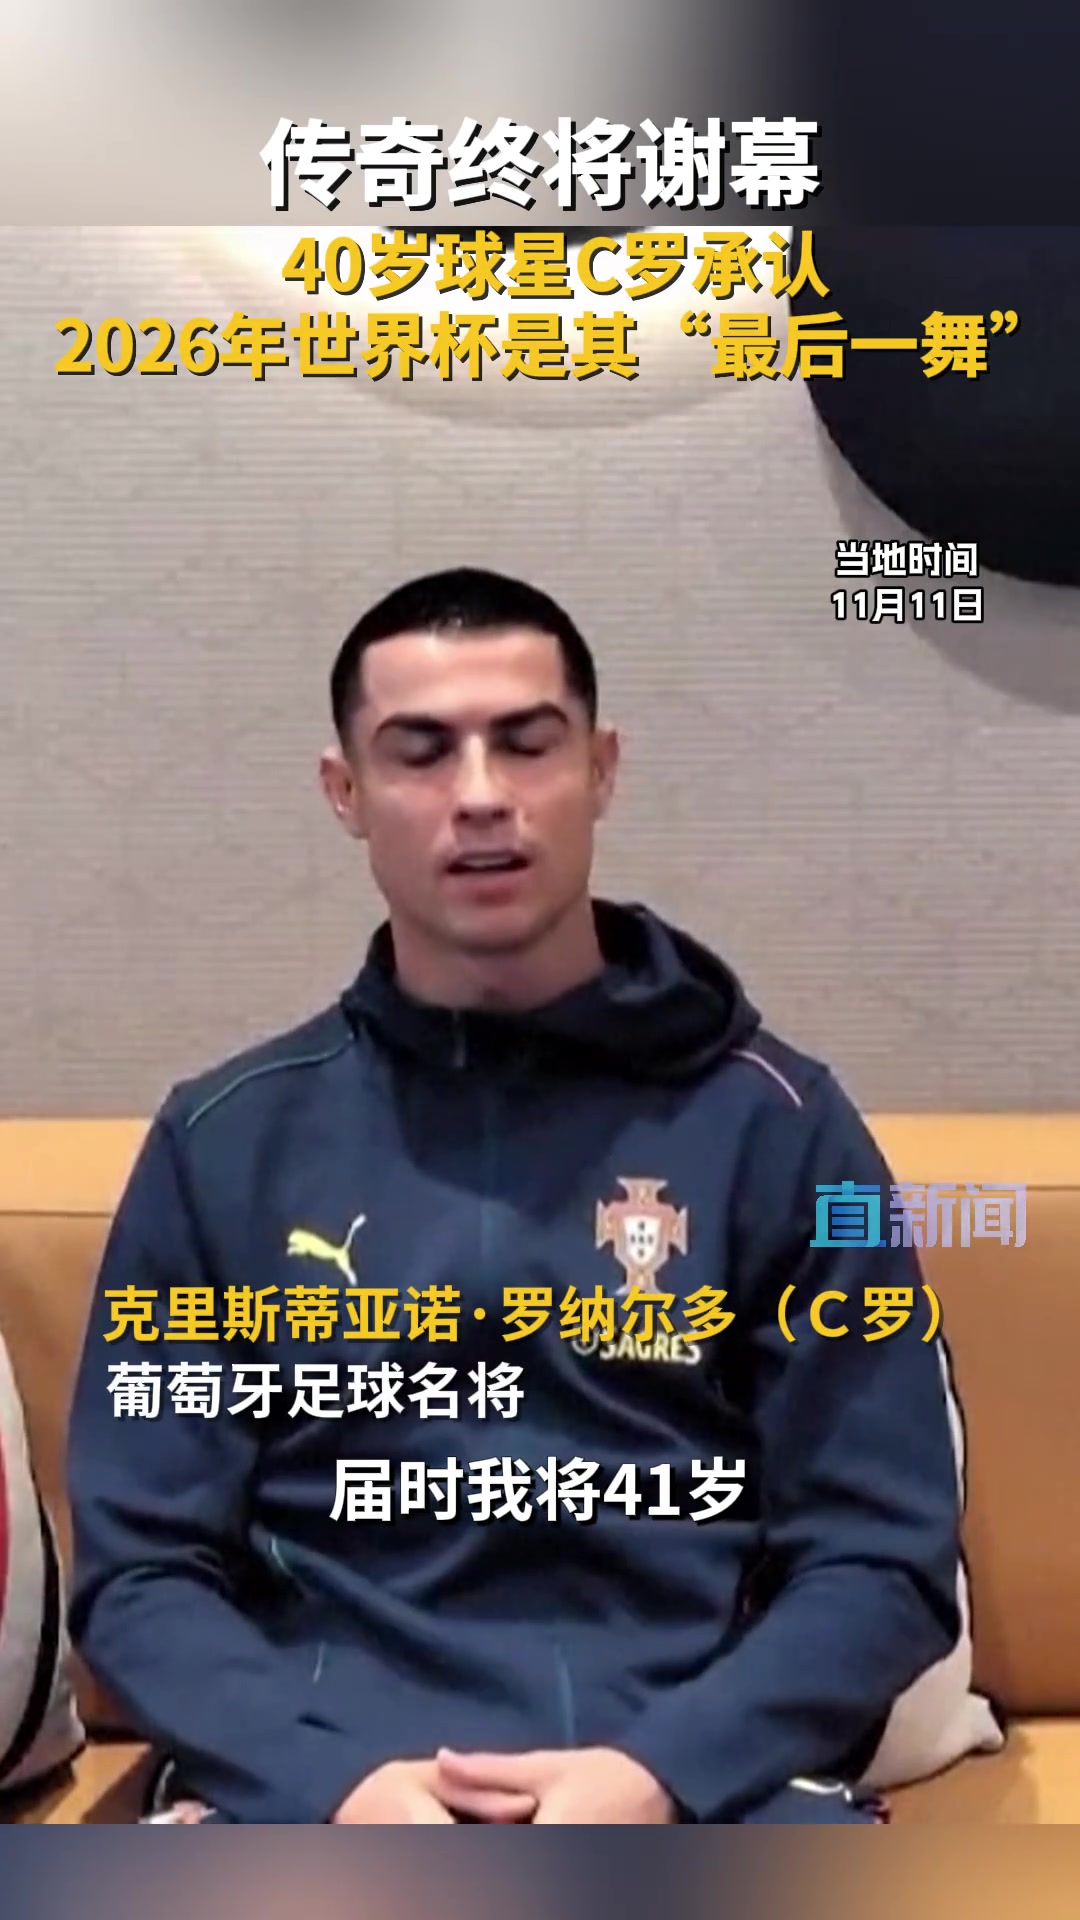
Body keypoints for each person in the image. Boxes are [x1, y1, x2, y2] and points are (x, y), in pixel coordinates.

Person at [66, 566, 961, 1826]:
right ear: (345, 792)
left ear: (600, 769)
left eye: (526, 744)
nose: (481, 794)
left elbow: (882, 1561)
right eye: (421, 751)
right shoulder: (223, 1142)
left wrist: (660, 1774)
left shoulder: (780, 1125)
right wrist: (332, 1786)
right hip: (318, 1796)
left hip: (690, 1793)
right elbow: (140, 1572)